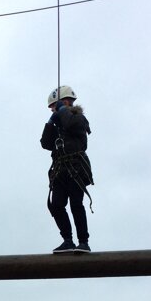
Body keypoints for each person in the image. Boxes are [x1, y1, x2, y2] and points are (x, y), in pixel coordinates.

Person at [40, 85, 94, 253]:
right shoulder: (58, 125)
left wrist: (62, 111)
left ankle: (83, 242)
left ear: (65, 102)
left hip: (75, 168)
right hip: (60, 170)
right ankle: (68, 240)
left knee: (76, 204)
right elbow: (45, 143)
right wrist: (51, 123)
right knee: (56, 205)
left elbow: (71, 124)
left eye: (54, 107)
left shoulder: (78, 119)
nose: (53, 110)